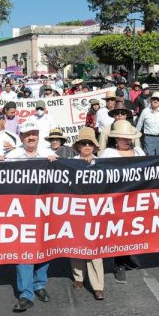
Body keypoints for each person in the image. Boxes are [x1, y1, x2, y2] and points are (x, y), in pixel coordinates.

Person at [6, 121, 56, 312]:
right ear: (21, 137)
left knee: (44, 247)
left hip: (44, 211)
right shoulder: (13, 156)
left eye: (34, 133)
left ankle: (39, 285)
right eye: (27, 134)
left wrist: (56, 163)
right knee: (24, 250)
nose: (31, 137)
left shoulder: (48, 155)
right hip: (21, 212)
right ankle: (26, 293)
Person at [97, 120, 144, 282]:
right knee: (118, 231)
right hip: (116, 199)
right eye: (123, 138)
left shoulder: (138, 151)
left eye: (129, 138)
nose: (127, 141)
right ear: (116, 139)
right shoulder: (109, 153)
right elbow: (98, 174)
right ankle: (119, 264)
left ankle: (127, 256)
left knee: (132, 230)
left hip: (135, 199)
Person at [71, 127, 105, 300]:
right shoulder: (69, 163)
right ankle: (78, 277)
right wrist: (51, 160)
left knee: (94, 247)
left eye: (90, 143)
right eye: (83, 143)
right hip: (75, 210)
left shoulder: (102, 164)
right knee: (76, 244)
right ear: (78, 146)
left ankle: (98, 286)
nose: (86, 146)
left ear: (94, 146)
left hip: (96, 210)